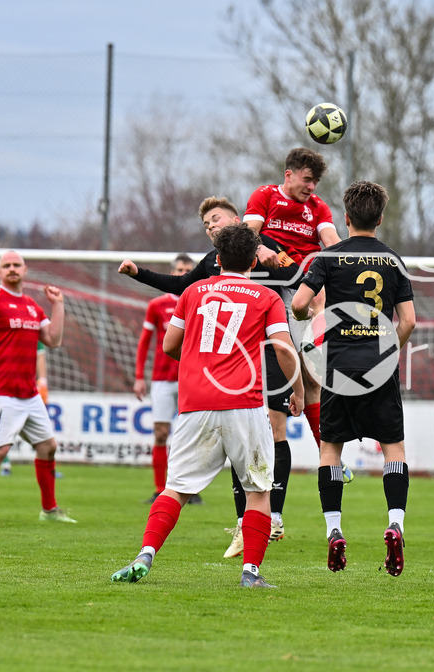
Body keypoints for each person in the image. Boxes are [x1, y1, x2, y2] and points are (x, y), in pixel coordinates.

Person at [118, 196, 344, 558]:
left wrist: (275, 254)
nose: (210, 226)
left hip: (221, 379)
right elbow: (182, 284)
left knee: (266, 435)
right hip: (253, 367)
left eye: (216, 218)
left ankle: (149, 552)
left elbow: (297, 278)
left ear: (239, 221)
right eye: (206, 223)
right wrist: (140, 274)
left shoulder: (255, 259)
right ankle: (252, 542)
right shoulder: (219, 271)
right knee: (264, 457)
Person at [111, 224, 304, 588]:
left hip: (195, 404)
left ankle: (145, 554)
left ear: (217, 259)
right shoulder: (267, 297)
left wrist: (199, 363)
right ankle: (251, 573)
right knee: (259, 492)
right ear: (252, 261)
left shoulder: (194, 291)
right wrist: (299, 390)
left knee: (177, 489)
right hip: (244, 404)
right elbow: (282, 348)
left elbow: (170, 345)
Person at [291, 180, 416, 576]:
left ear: (345, 218)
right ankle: (395, 523)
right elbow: (410, 320)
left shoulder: (328, 258)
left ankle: (335, 531)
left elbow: (298, 303)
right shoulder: (394, 261)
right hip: (379, 369)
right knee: (392, 448)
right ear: (379, 218)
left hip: (337, 368)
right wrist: (387, 351)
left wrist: (307, 317)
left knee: (331, 451)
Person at [0, 250, 74, 523]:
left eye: (16, 265)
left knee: (48, 446)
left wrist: (58, 305)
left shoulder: (32, 306)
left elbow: (53, 340)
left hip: (28, 393)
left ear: (25, 270)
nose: (12, 269)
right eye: (6, 265)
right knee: (0, 449)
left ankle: (49, 511)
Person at [243, 147, 342, 450]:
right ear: (289, 175)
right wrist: (260, 248)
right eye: (307, 179)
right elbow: (248, 232)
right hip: (263, 289)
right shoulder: (266, 196)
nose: (311, 187)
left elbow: (333, 243)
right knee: (262, 376)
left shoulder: (318, 208)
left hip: (300, 292)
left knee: (310, 378)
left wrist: (355, 259)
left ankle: (329, 454)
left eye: (315, 183)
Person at [132, 253, 195, 504]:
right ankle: (160, 489)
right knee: (160, 434)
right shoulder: (157, 305)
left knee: (189, 435)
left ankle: (189, 488)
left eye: (187, 270)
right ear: (172, 271)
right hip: (162, 378)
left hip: (191, 378)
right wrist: (139, 376)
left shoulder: (201, 301)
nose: (183, 273)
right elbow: (144, 343)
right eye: (179, 269)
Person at [0, 341, 49, 476]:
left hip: (29, 390)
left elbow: (40, 354)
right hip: (6, 388)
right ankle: (5, 465)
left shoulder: (31, 326)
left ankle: (49, 469)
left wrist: (43, 381)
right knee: (4, 430)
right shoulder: (5, 330)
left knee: (45, 434)